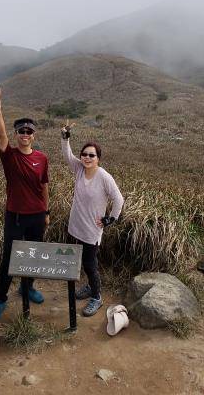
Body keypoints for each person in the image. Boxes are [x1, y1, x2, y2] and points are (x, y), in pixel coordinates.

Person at [0, 87, 50, 323]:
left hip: (36, 215)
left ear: (34, 134)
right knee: (9, 258)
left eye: (28, 131)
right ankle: (0, 298)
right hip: (15, 215)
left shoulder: (42, 158)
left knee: (32, 256)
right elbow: (1, 136)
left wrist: (46, 211)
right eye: (21, 131)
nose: (24, 134)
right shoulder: (10, 155)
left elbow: (44, 186)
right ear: (16, 134)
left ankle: (27, 287)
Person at [60, 120, 124, 316]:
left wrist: (109, 219)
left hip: (91, 231)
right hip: (77, 226)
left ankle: (96, 296)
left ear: (98, 159)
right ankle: (89, 287)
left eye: (91, 155)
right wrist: (65, 136)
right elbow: (66, 155)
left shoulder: (104, 177)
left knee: (90, 263)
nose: (87, 157)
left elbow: (118, 199)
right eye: (85, 154)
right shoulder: (79, 169)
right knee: (83, 261)